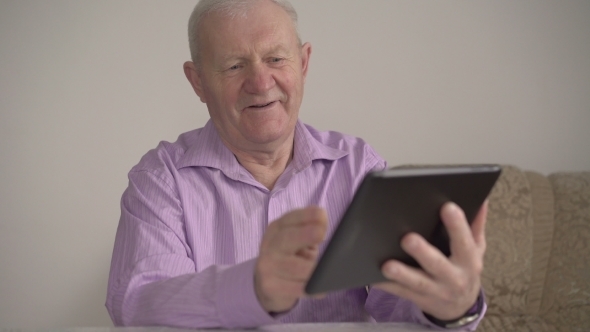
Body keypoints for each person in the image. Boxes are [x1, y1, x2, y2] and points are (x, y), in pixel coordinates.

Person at [106, 0, 488, 329]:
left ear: (303, 63)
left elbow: (396, 303)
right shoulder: (160, 179)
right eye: (235, 65)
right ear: (199, 82)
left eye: (275, 58)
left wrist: (448, 307)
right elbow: (138, 304)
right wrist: (253, 288)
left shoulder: (357, 166)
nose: (260, 81)